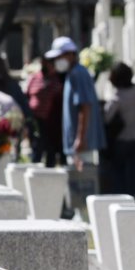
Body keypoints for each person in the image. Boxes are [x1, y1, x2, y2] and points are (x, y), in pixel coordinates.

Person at [44, 36, 106, 171]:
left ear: (71, 54)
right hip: (78, 143)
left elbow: (85, 106)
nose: (57, 61)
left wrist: (80, 138)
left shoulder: (78, 74)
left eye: (60, 56)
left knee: (83, 180)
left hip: (82, 144)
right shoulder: (72, 74)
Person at [104, 62, 135, 201]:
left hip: (124, 140)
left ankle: (124, 199)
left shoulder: (117, 97)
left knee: (120, 174)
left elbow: (107, 118)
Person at [26, 57, 65, 167]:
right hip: (35, 119)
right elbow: (28, 93)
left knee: (50, 149)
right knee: (37, 146)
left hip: (51, 121)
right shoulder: (35, 77)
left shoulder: (56, 79)